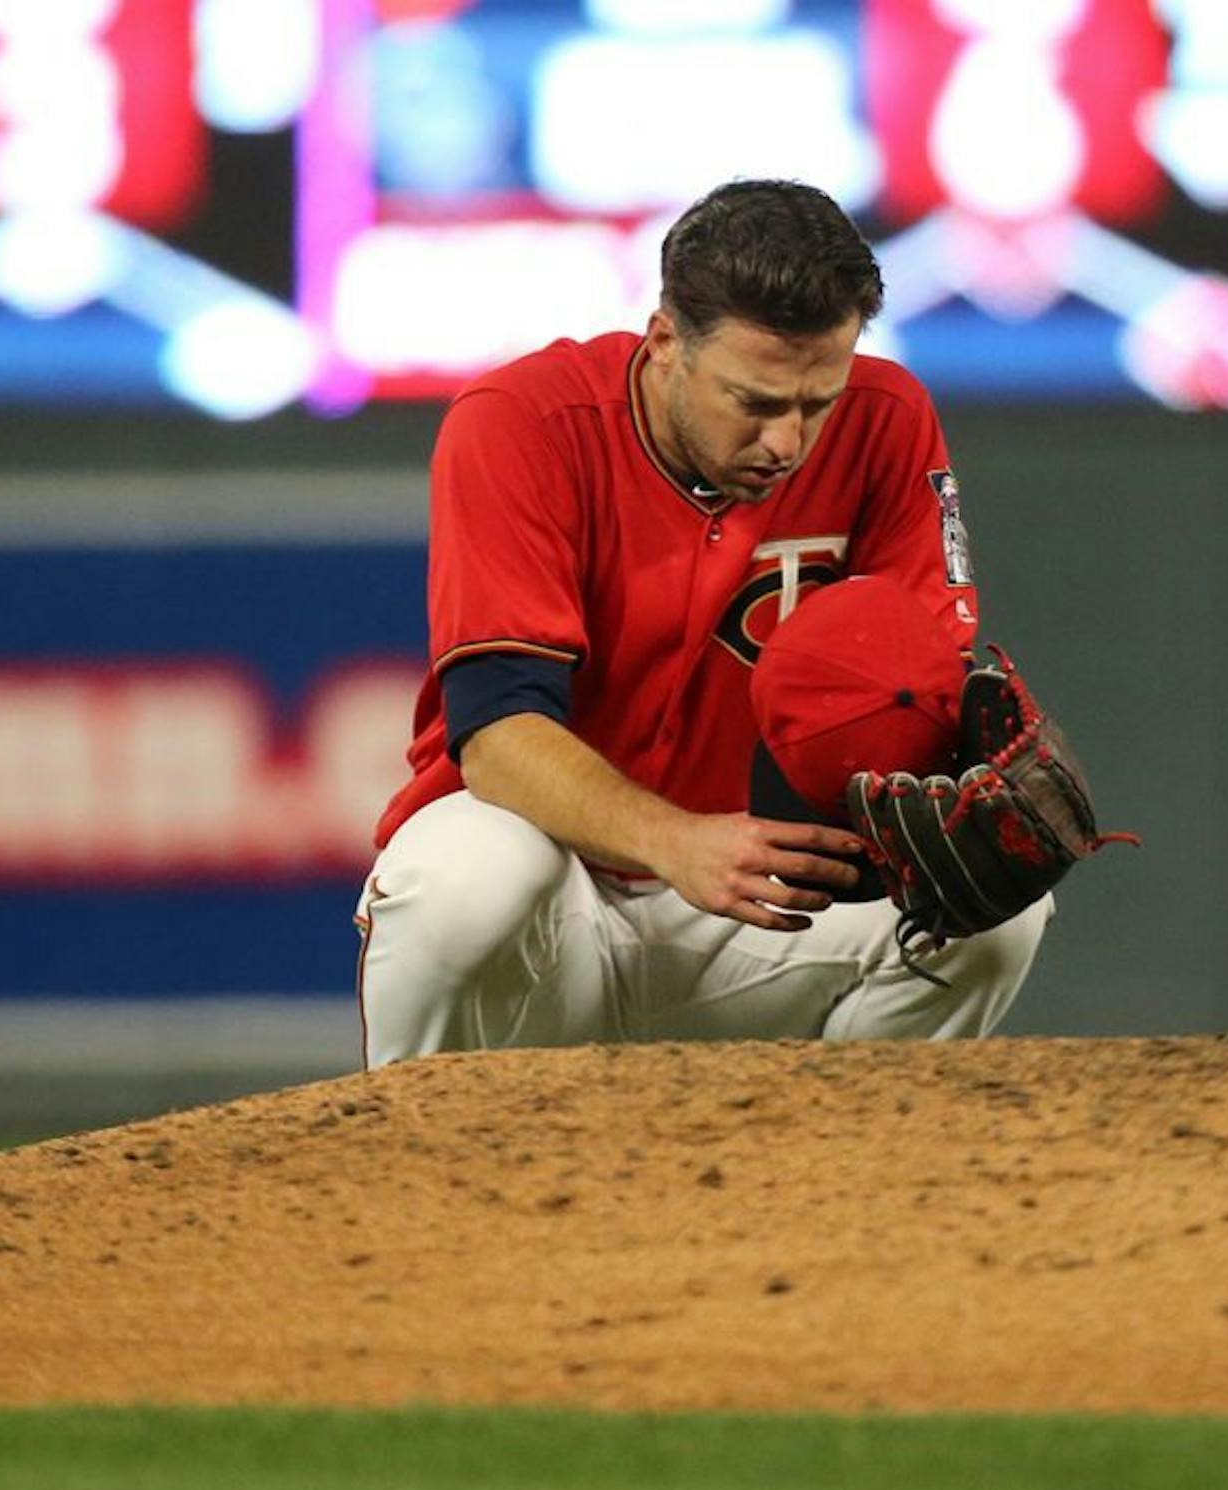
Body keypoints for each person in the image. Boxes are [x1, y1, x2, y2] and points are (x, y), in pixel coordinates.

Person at [354, 178, 1052, 1066]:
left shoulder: (888, 420)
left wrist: (949, 757)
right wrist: (673, 838)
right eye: (756, 403)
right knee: (469, 877)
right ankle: (412, 1179)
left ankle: (824, 1195)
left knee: (996, 911)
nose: (787, 443)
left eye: (816, 403)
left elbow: (916, 683)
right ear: (664, 342)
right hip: (556, 903)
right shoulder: (522, 423)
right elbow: (495, 735)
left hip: (756, 906)